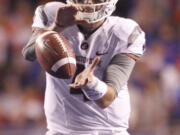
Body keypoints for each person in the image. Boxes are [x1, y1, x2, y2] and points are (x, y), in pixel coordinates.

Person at [22, 0, 146, 134]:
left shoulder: (124, 31)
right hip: (61, 131)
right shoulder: (53, 13)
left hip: (108, 130)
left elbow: (107, 98)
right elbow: (29, 54)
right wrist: (57, 26)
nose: (87, 1)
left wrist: (91, 83)